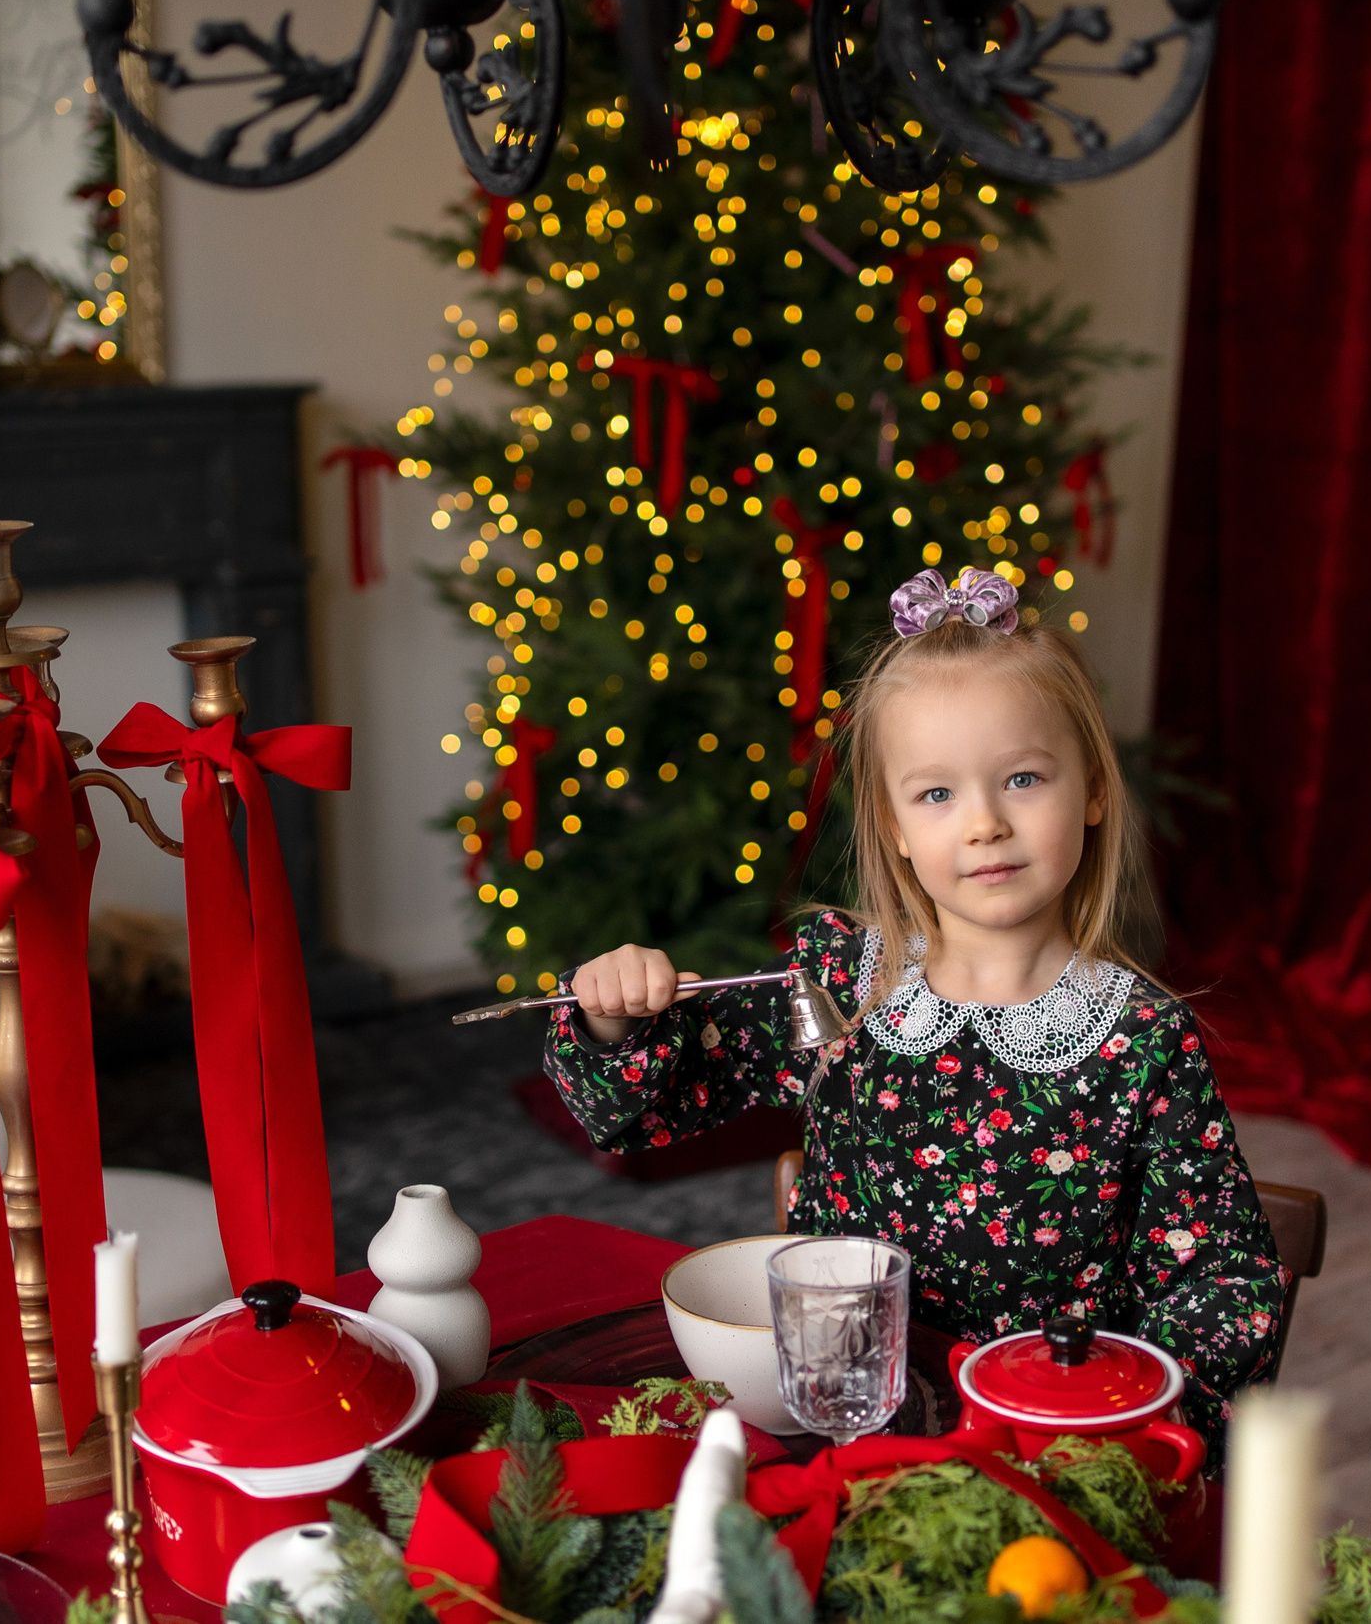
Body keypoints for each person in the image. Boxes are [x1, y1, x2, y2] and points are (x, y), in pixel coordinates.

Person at [541, 567, 1286, 1455]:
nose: (983, 824)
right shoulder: (839, 985)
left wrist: (1112, 1430)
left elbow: (1224, 1285)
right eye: (937, 793)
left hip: (1036, 1451)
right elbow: (635, 1111)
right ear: (893, 825)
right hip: (838, 1429)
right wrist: (614, 1022)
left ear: (1091, 790)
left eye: (1021, 778)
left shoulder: (1141, 1044)